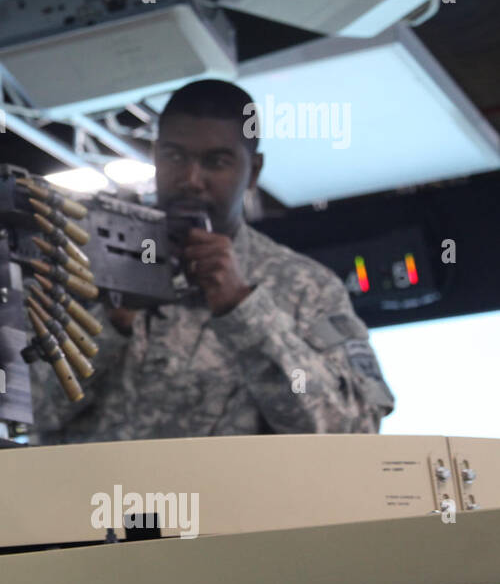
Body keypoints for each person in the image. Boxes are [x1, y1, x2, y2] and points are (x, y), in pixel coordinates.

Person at [31, 79, 395, 444]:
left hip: (233, 500)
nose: (191, 180)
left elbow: (354, 434)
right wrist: (112, 320)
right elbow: (27, 411)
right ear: (156, 155)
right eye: (175, 156)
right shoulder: (81, 262)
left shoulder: (305, 287)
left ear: (252, 171)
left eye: (216, 162)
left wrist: (243, 309)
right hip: (97, 500)